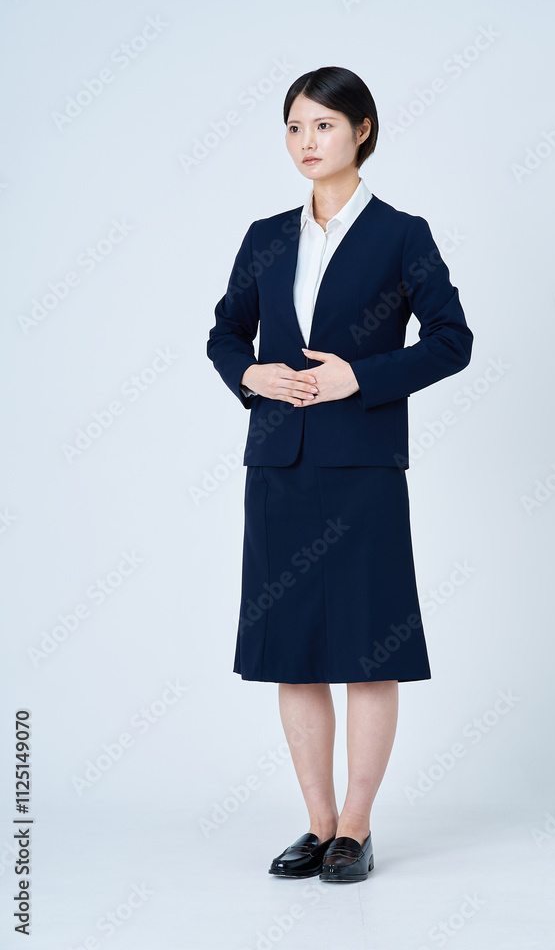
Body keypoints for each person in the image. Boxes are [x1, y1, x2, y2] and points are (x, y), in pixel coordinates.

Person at [206, 66, 474, 883]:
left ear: (362, 130)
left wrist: (361, 376)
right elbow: (225, 332)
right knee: (291, 652)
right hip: (279, 466)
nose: (306, 141)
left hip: (362, 467)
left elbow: (452, 339)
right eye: (294, 127)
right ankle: (318, 825)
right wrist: (249, 374)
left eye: (323, 125)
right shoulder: (265, 236)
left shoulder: (402, 234)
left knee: (368, 649)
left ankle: (356, 828)